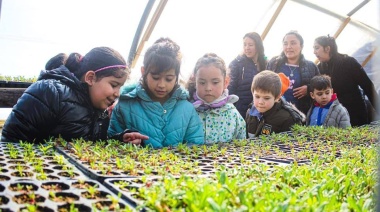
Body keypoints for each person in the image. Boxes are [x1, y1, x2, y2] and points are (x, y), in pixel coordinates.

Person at [1, 47, 149, 144]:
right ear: (91, 78)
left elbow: (93, 143)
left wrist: (120, 139)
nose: (117, 93)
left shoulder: (99, 110)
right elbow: (11, 141)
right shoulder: (50, 92)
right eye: (113, 85)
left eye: (120, 87)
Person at [108, 38, 204, 148]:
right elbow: (111, 141)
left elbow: (196, 145)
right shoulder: (125, 106)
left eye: (169, 79)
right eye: (155, 77)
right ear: (143, 72)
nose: (162, 85)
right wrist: (123, 140)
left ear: (176, 77)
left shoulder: (187, 108)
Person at [314, 35, 380, 126]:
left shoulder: (348, 62)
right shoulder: (320, 68)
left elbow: (368, 86)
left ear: (327, 48)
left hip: (355, 113)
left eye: (317, 48)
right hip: (335, 117)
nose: (314, 52)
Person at [186, 53, 246, 144]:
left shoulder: (232, 114)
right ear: (195, 82)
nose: (208, 88)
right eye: (202, 82)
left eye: (215, 82)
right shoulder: (187, 111)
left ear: (226, 82)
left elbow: (242, 146)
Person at [267, 30, 320, 115]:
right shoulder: (274, 63)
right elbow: (264, 85)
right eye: (285, 43)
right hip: (274, 112)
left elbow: (321, 87)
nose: (288, 47)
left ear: (301, 46)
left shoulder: (311, 66)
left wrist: (309, 89)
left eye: (293, 43)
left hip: (300, 113)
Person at [246, 70, 305, 138]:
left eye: (266, 98)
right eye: (257, 96)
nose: (260, 102)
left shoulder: (288, 119)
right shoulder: (250, 111)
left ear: (277, 97)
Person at [228, 32, 267, 118]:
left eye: (250, 45)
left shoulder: (265, 63)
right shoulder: (237, 63)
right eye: (245, 45)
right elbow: (231, 87)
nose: (247, 48)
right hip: (239, 107)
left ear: (258, 46)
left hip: (259, 107)